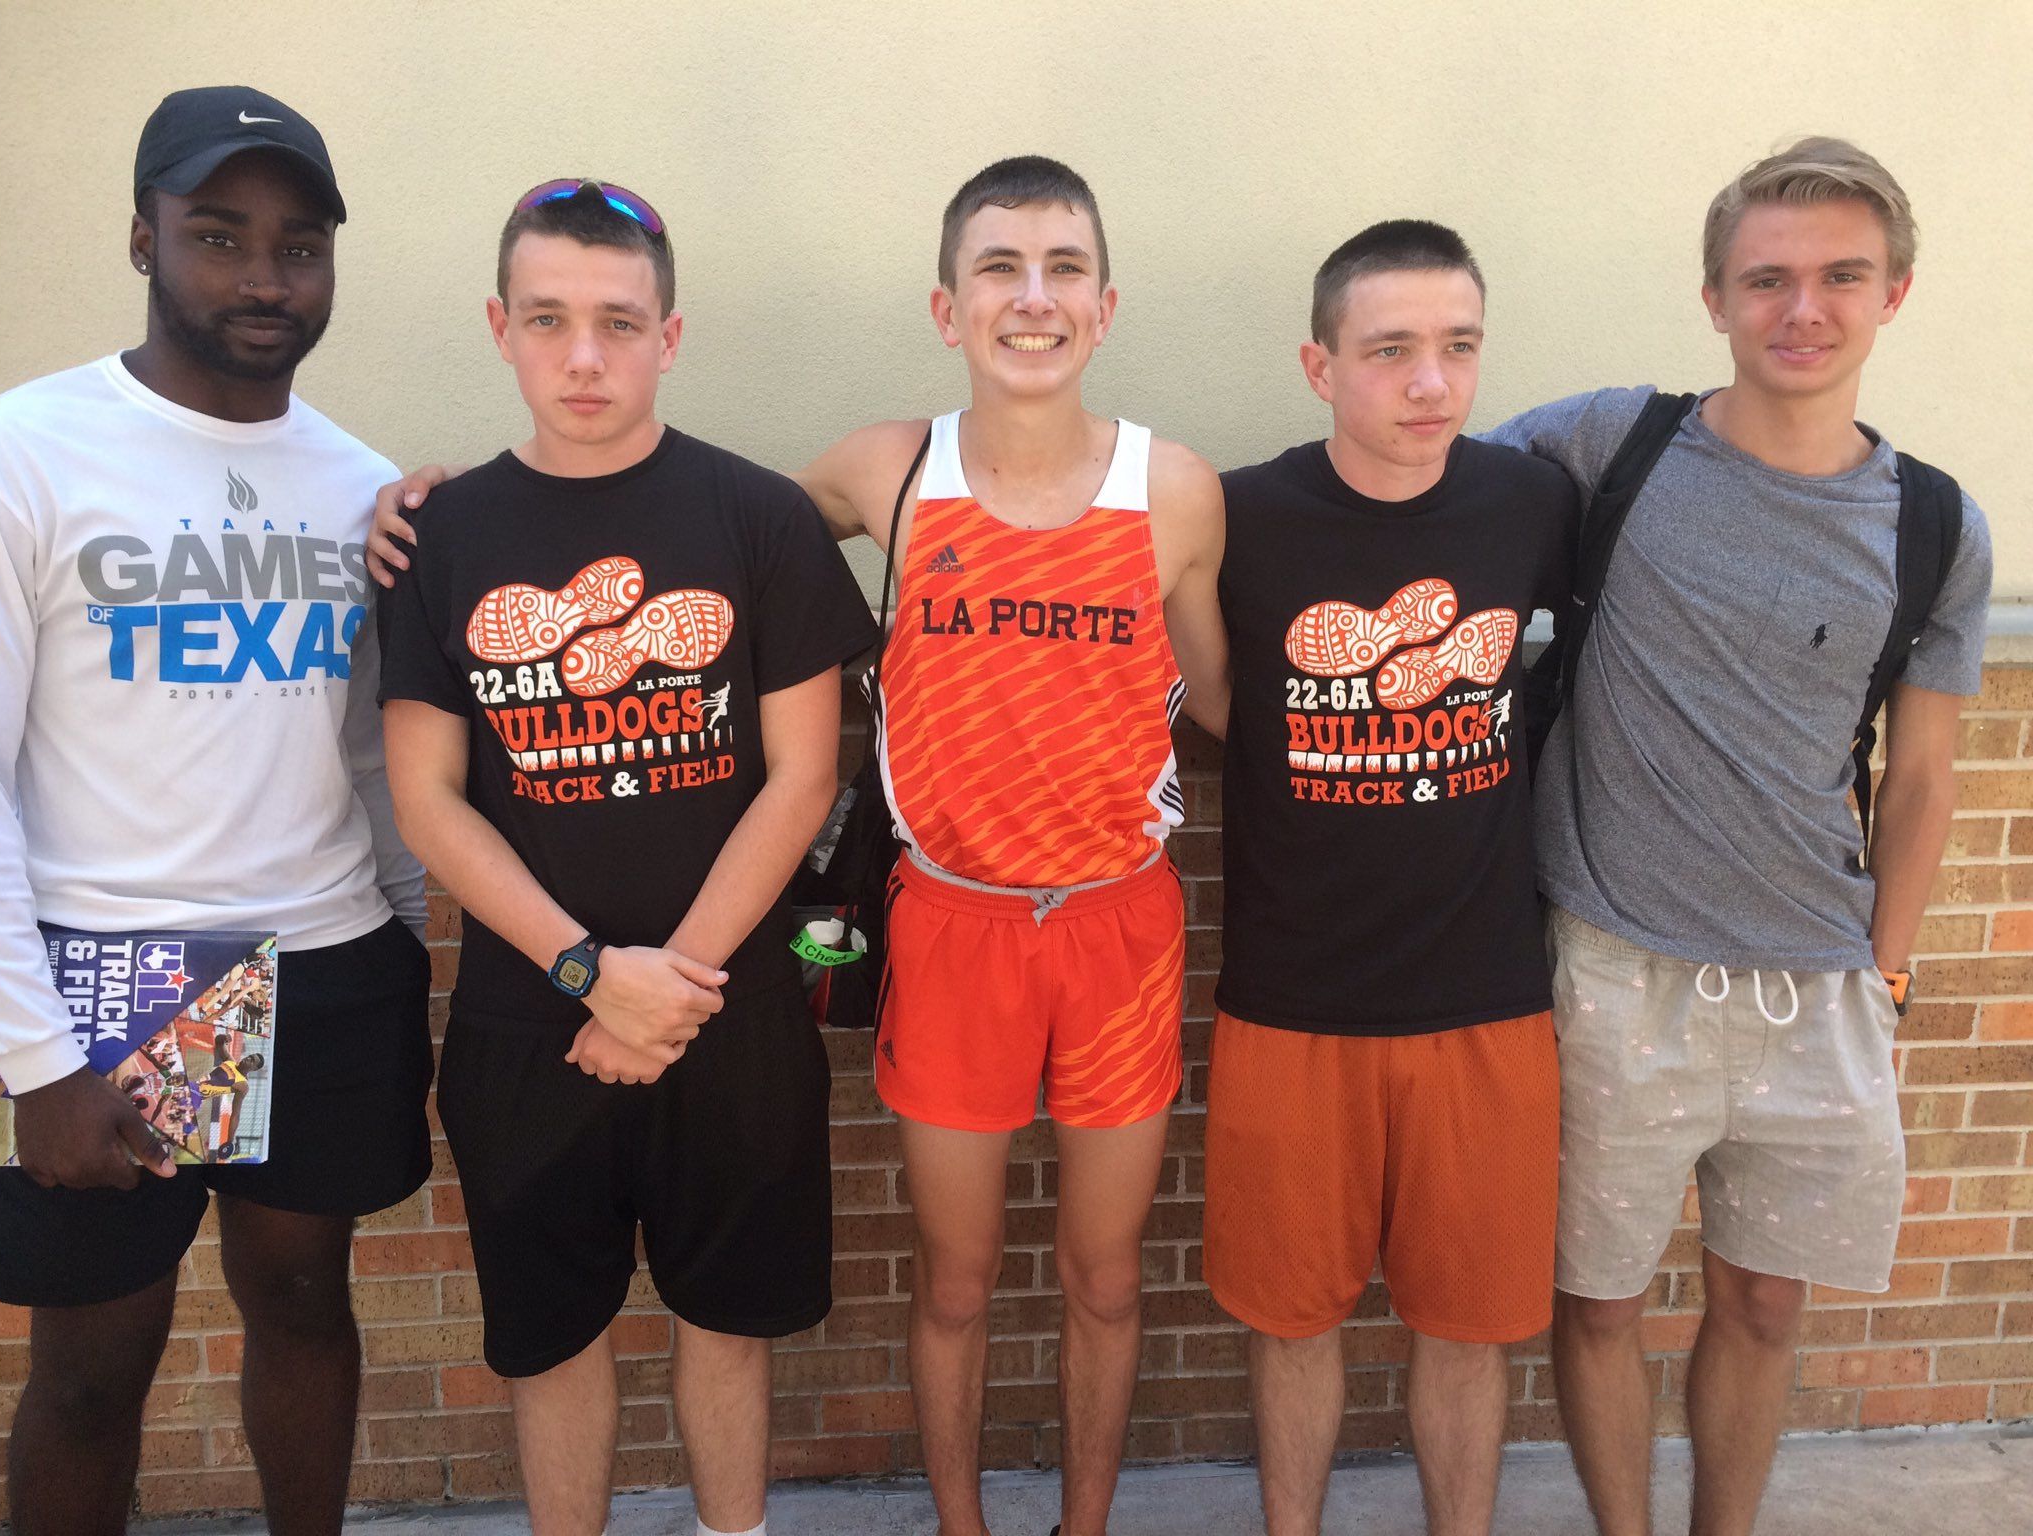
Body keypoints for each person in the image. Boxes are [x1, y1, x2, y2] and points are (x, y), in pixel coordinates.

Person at [367, 155, 1228, 1536]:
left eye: (1063, 269)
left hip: (1061, 929)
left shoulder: (1163, 490)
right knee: (908, 1285)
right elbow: (667, 546)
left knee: (1086, 1278)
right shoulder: (873, 472)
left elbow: (1217, 694)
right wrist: (454, 504)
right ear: (945, 308)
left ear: (1105, 304)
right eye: (998, 269)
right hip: (864, 935)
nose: (1032, 298)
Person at [1484, 137, 1993, 1536]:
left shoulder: (1936, 525)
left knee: (1766, 1302)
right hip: (1614, 964)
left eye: (1842, 276)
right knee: (1597, 1300)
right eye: (1767, 279)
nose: (1802, 309)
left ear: (1895, 293)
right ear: (1714, 297)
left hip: (1815, 983)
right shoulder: (1612, 444)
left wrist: (1885, 969)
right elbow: (1422, 485)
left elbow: (1923, 778)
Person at [374, 178, 876, 1536]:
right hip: (528, 1013)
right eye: (547, 319)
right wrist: (595, 975)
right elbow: (427, 800)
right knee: (552, 1341)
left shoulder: (757, 516)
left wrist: (671, 988)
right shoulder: (442, 537)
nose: (583, 356)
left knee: (728, 1327)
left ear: (671, 335)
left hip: (731, 1008)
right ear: (500, 328)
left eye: (618, 321)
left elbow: (803, 777)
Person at [0, 86, 432, 1536]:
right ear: (143, 237)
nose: (263, 278)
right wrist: (35, 1052)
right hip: (130, 972)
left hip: (325, 958)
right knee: (94, 1367)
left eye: (300, 246)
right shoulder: (25, 451)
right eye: (220, 235)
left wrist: (407, 934)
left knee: (305, 1302)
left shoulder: (360, 485)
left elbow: (365, 747)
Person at [1204, 222, 1574, 1536]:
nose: (1431, 383)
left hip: (1486, 998)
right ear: (1320, 366)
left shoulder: (1532, 505)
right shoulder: (1236, 516)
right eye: (1391, 350)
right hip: (1292, 1000)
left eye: (1459, 347)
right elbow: (1202, 699)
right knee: (1290, 1324)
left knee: (1470, 1331)